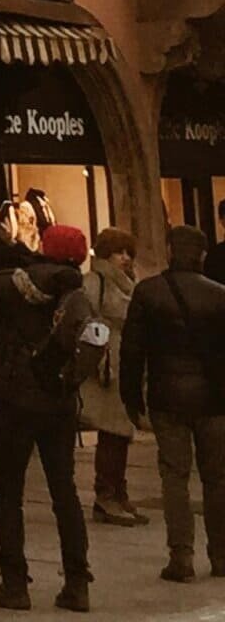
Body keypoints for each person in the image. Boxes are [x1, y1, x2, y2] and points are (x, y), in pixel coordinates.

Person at [0, 213, 93, 612]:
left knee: (9, 492)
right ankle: (77, 583)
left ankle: (14, 582)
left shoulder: (17, 283)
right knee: (64, 492)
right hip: (59, 401)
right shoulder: (77, 293)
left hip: (18, 399)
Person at [120, 220, 225, 584]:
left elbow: (132, 352)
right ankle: (221, 553)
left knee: (175, 476)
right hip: (214, 399)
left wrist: (131, 399)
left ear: (169, 251)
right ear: (202, 255)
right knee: (217, 478)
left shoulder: (148, 293)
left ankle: (181, 556)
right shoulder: (219, 295)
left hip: (167, 397)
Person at [81, 227, 139, 528]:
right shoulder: (96, 281)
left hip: (125, 364)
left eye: (128, 253)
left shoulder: (130, 283)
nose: (125, 259)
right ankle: (106, 496)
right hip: (106, 368)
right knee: (112, 432)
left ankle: (118, 491)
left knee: (122, 432)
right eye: (119, 252)